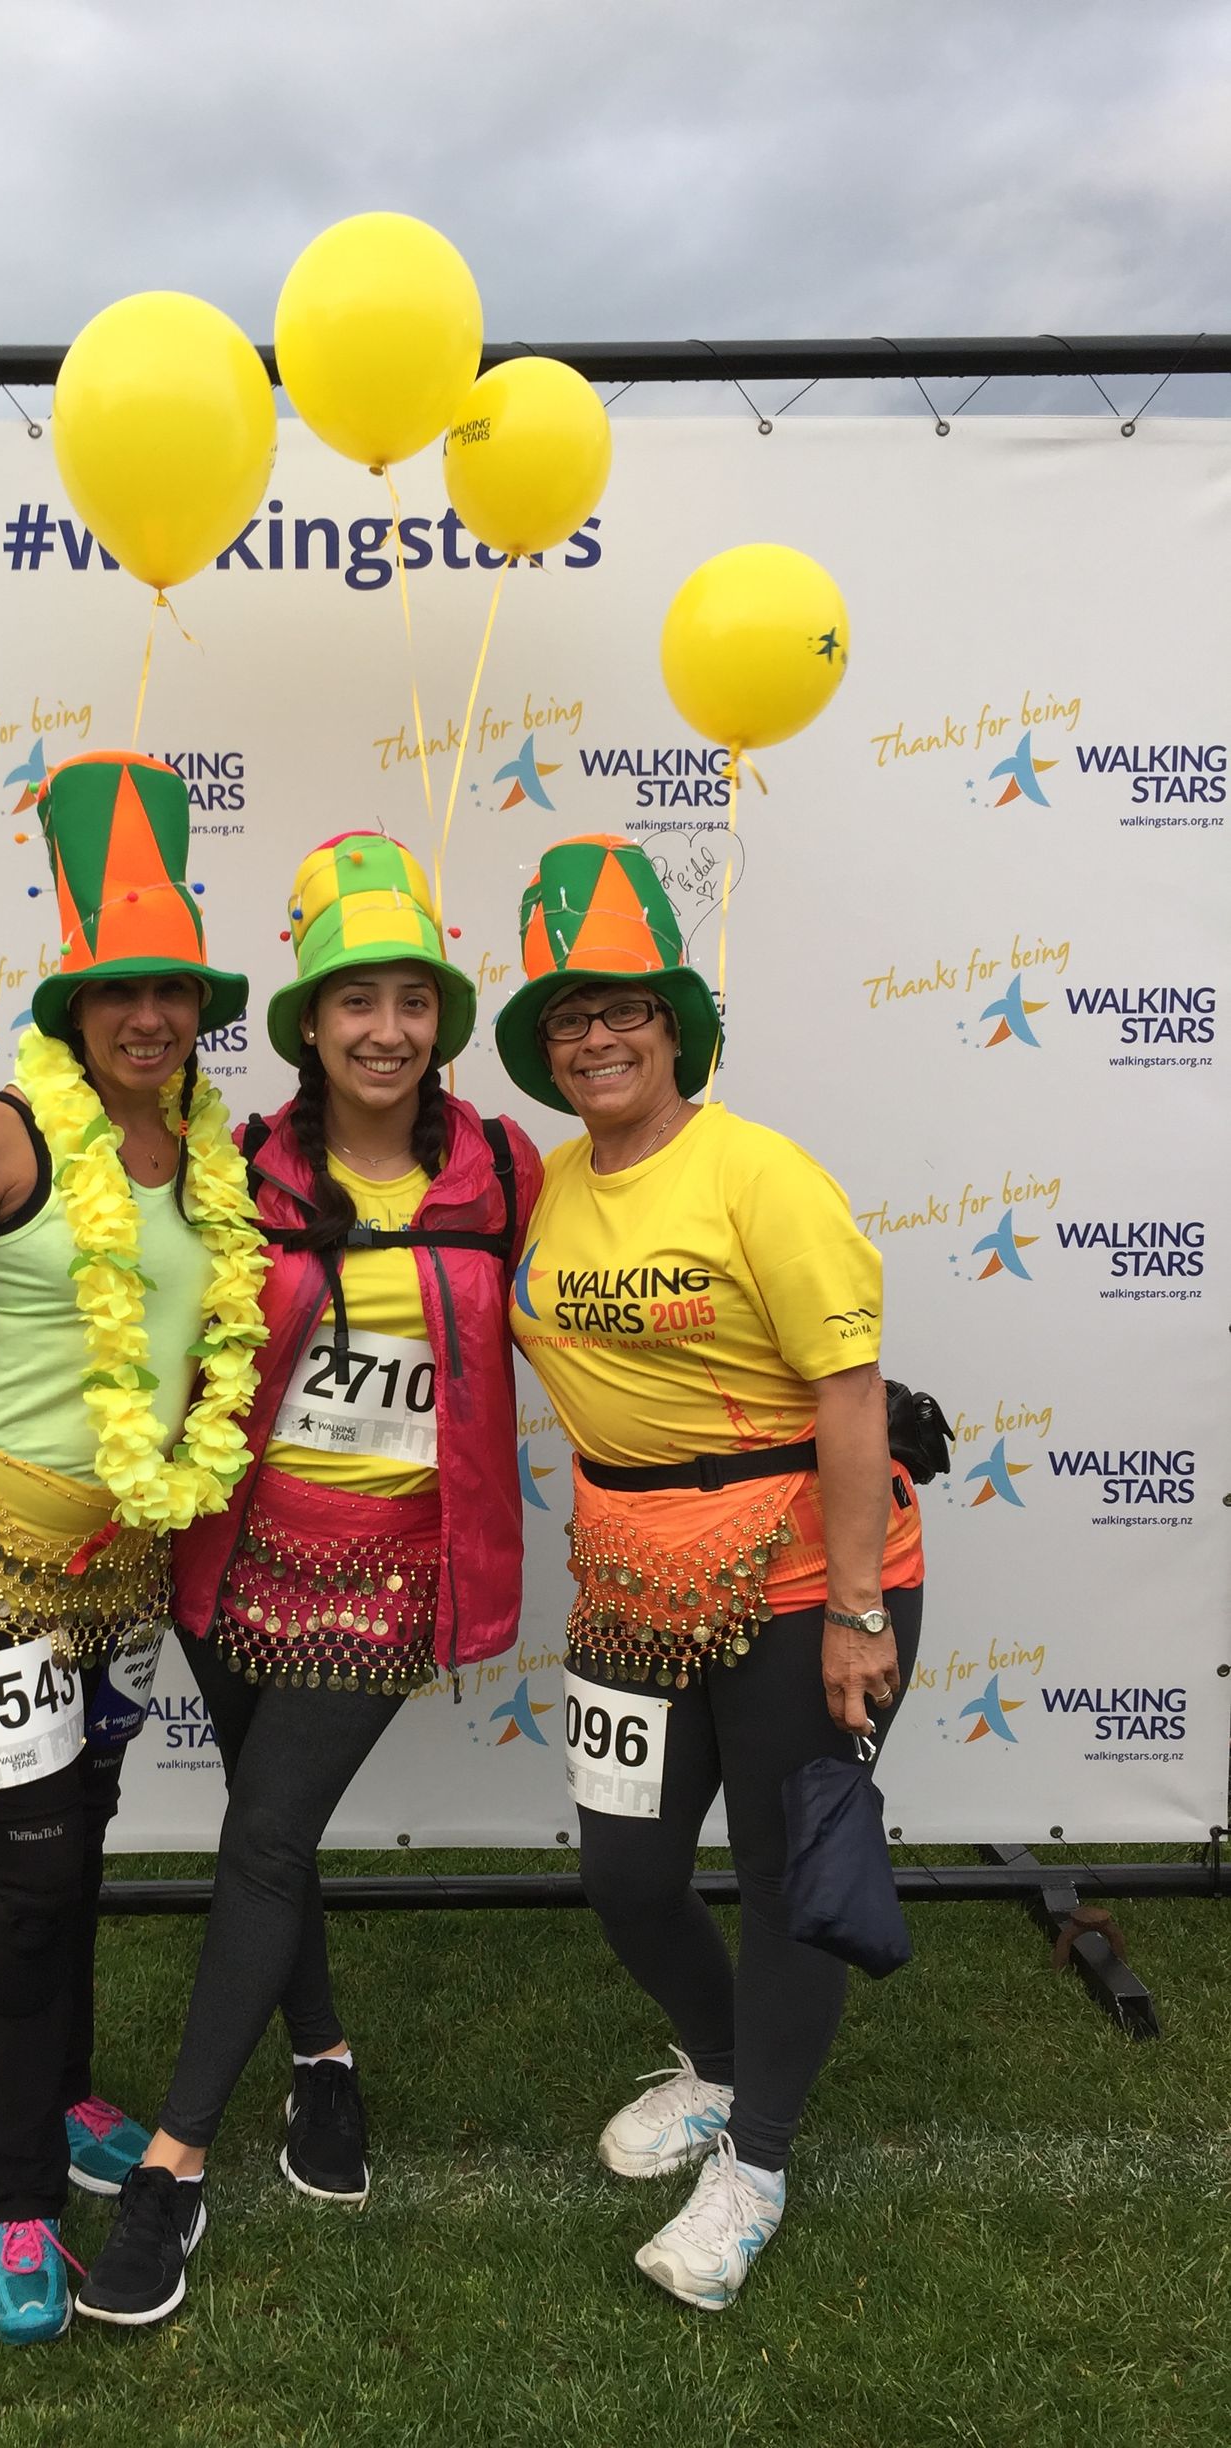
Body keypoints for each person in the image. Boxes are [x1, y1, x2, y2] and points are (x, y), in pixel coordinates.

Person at [76, 832, 542, 2328]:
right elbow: (134, 1284)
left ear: (444, 1023)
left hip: (399, 1563)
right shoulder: (246, 1166)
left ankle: (174, 2168)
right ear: (309, 1026)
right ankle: (325, 2059)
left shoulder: (505, 1168)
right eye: (356, 1003)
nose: (386, 1030)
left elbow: (609, 1309)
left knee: (268, 1834)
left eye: (412, 1000)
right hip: (238, 1547)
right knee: (263, 1827)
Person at [0, 750, 265, 2346]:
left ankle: (72, 2088)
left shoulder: (213, 1158)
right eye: (119, 994)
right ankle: (17, 2198)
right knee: (32, 1877)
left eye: (172, 992)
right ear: (76, 1004)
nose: (148, 1018)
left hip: (116, 1570)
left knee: (78, 1844)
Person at [494, 833, 925, 2312]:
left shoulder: (759, 1172)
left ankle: (760, 2160)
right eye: (568, 1018)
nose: (597, 1037)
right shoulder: (545, 1189)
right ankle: (725, 2063)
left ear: (675, 1028)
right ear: (545, 1053)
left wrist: (863, 1610)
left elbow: (852, 1392)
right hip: (629, 1577)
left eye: (623, 1011)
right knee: (625, 1870)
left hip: (803, 1569)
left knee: (789, 1876)